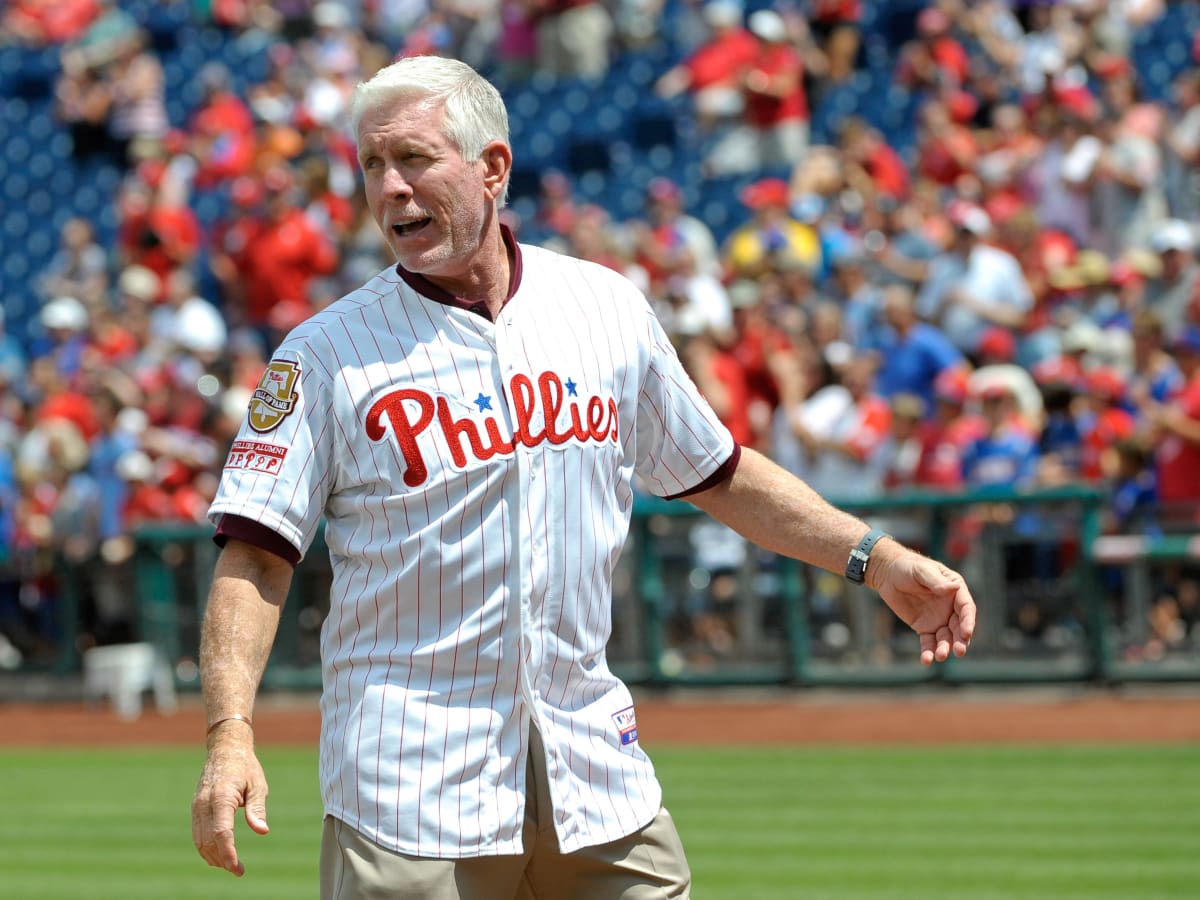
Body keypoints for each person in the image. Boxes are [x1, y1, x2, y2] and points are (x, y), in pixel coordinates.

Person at [191, 55, 976, 899]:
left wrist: (878, 558)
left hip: (592, 766)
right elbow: (256, 556)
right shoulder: (324, 353)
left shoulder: (604, 308)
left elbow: (720, 475)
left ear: (492, 167)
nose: (389, 187)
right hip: (408, 783)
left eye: (413, 159)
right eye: (373, 165)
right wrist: (229, 733)